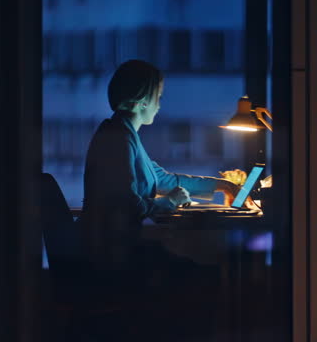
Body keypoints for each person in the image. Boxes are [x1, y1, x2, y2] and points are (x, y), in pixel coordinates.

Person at [80, 59, 239, 272]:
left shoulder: (124, 133)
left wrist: (222, 185)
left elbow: (164, 179)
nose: (159, 106)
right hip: (115, 254)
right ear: (143, 100)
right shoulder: (118, 137)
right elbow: (127, 206)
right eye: (158, 97)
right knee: (207, 268)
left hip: (120, 246)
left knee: (200, 262)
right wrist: (170, 201)